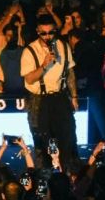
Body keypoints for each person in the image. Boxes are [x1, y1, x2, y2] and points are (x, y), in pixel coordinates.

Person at [20, 14, 79, 168]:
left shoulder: (63, 46)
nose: (47, 36)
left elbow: (70, 72)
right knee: (42, 144)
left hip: (60, 97)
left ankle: (68, 175)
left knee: (68, 139)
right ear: (37, 32)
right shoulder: (30, 51)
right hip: (39, 100)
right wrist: (44, 65)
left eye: (51, 32)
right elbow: (29, 79)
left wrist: (74, 97)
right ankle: (45, 177)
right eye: (43, 33)